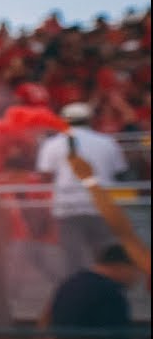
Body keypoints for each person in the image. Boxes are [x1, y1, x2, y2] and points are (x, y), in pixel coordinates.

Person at [35, 101, 129, 280]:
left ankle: (77, 291)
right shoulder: (107, 142)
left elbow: (45, 176)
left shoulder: (52, 144)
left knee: (72, 258)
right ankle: (106, 289)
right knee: (104, 253)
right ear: (90, 120)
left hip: (67, 208)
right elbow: (120, 172)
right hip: (100, 206)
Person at [42, 242, 142, 331]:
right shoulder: (110, 293)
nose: (137, 277)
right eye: (137, 270)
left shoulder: (70, 282)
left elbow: (45, 320)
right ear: (122, 266)